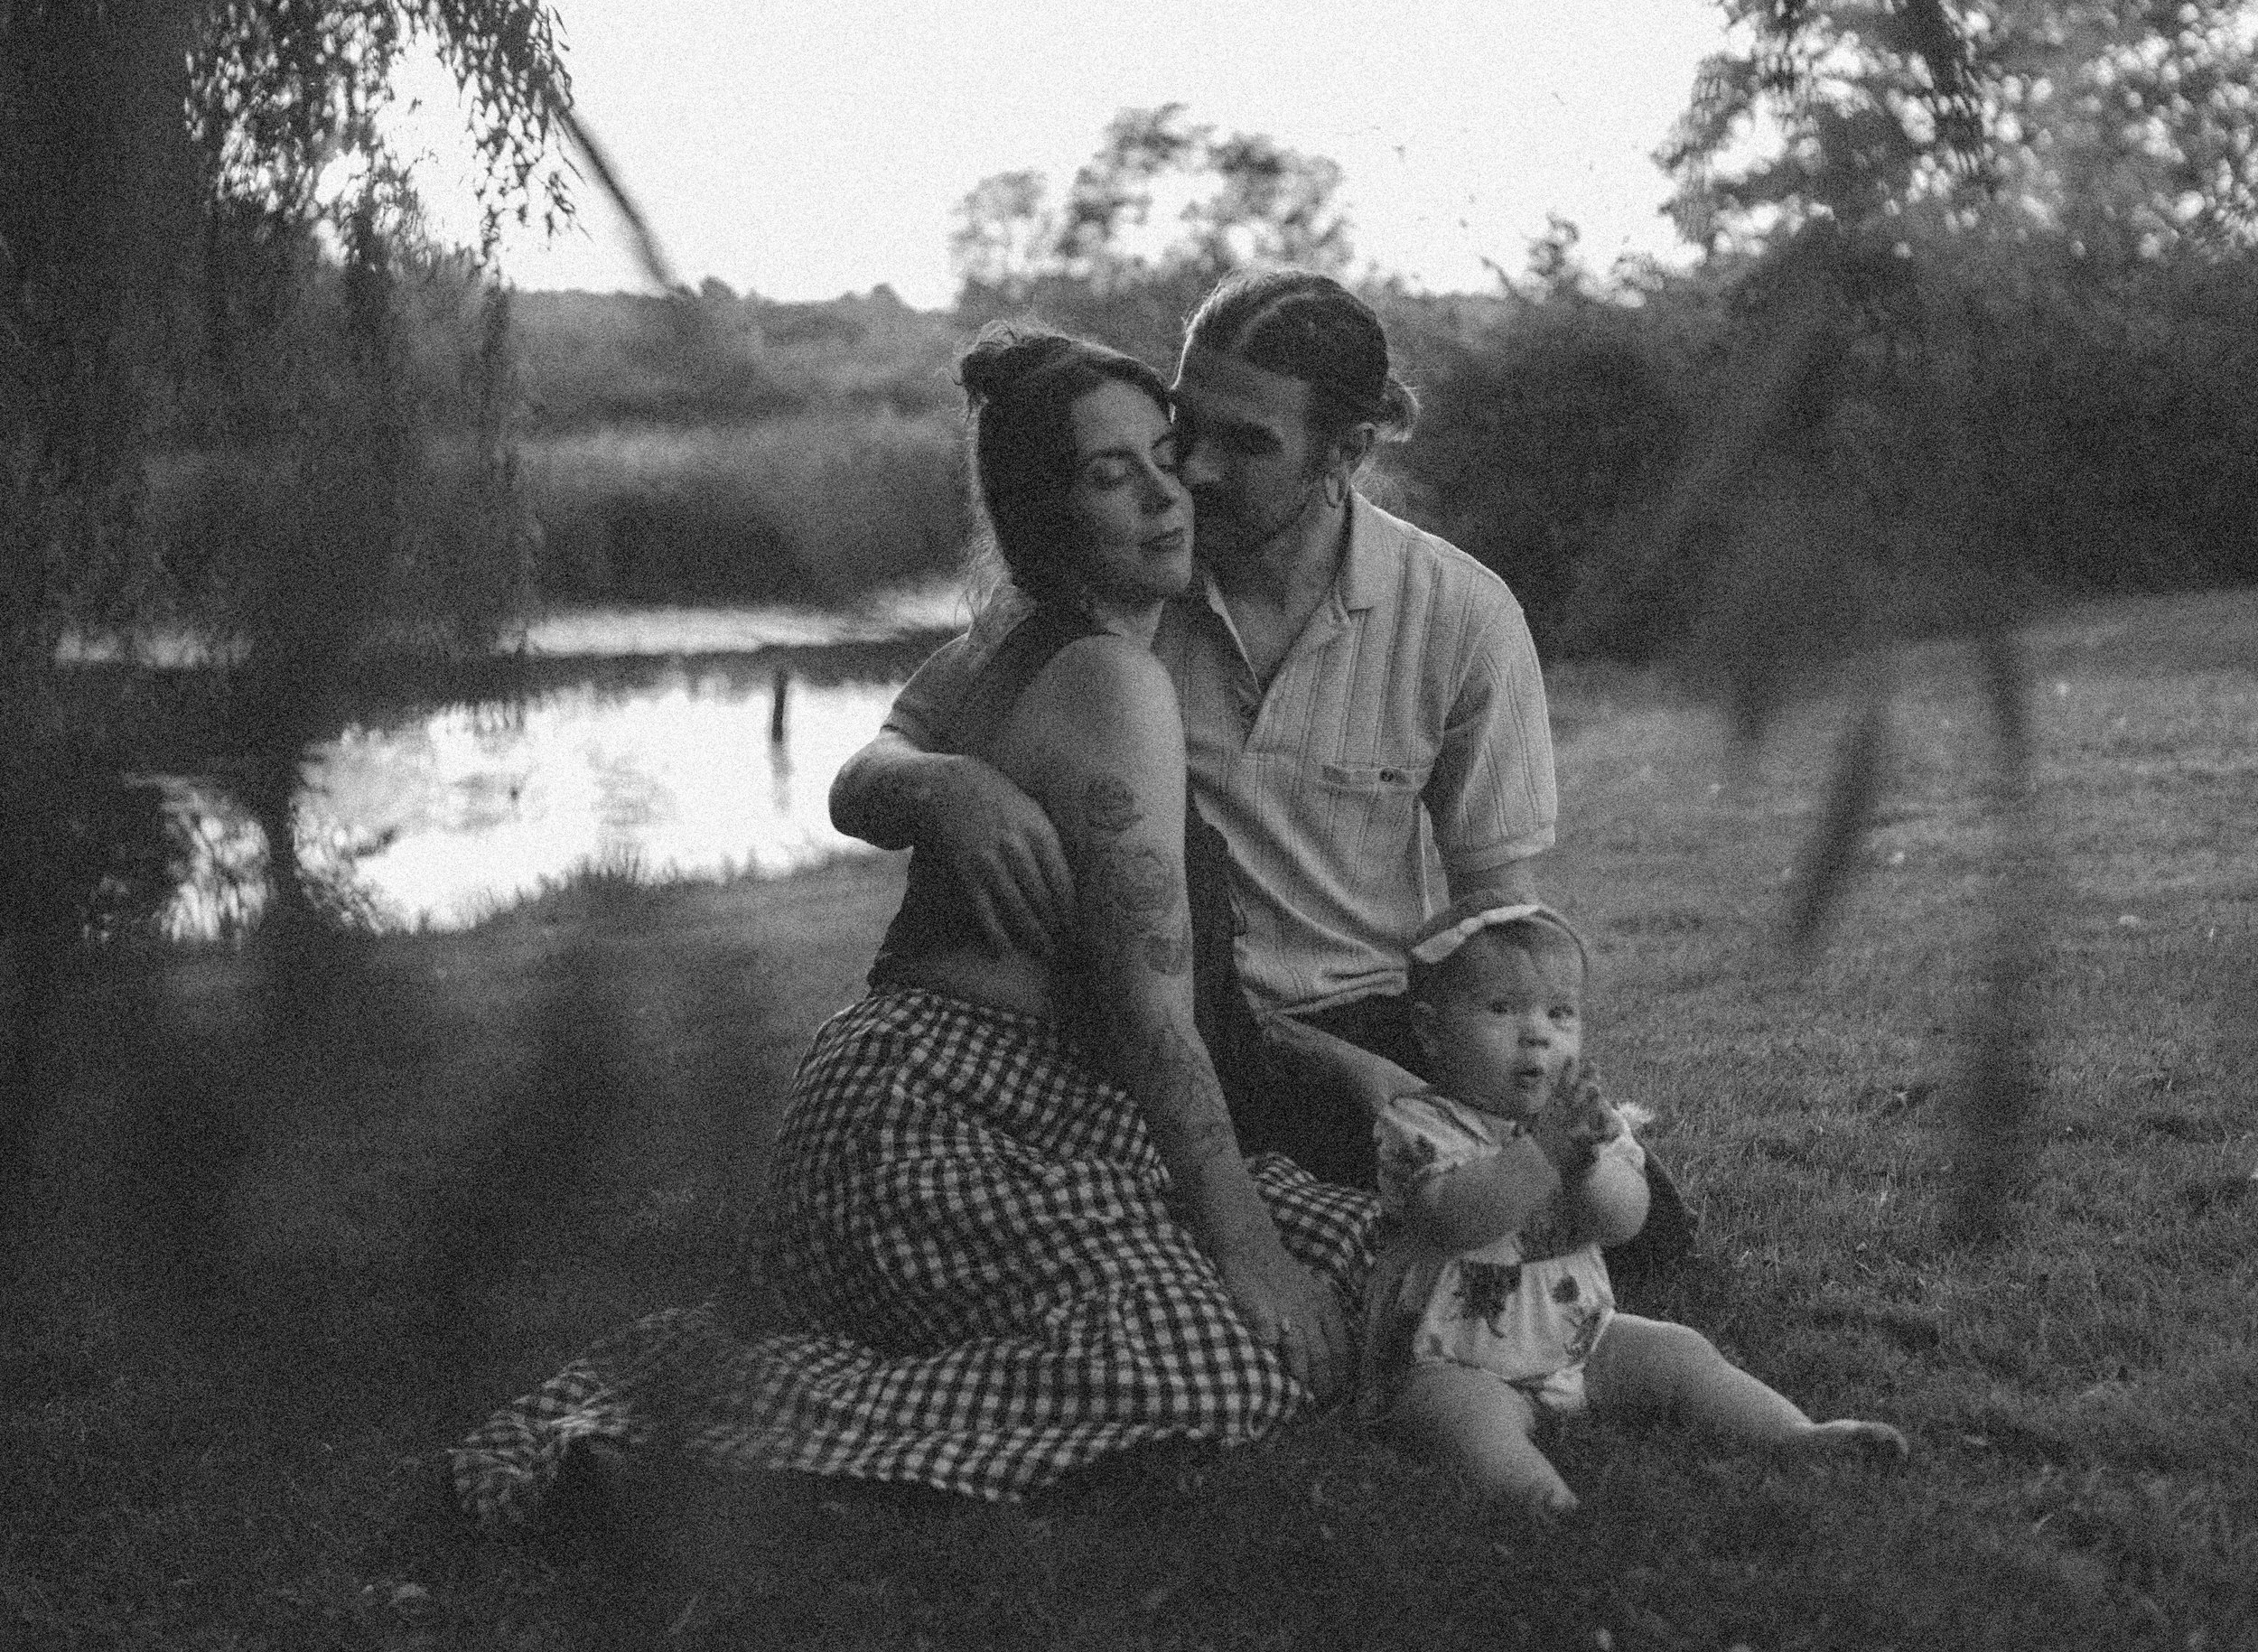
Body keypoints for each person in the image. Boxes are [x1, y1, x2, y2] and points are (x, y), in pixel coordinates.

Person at [448, 328, 1378, 1526]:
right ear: (1047, 513)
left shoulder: (1009, 632)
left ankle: (768, 1390)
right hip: (933, 1113)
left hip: (1022, 1113)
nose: (1163, 494)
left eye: (1164, 456)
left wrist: (938, 779)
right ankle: (679, 1449)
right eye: (1108, 475)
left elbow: (870, 756)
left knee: (1361, 1247)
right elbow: (1153, 1020)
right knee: (1223, 1359)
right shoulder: (1106, 676)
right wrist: (1249, 1260)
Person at [833, 269, 1694, 1268]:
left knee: (1636, 1225)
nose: (1191, 470)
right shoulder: (1125, 580)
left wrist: (1496, 1085)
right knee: (1401, 1247)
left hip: (1373, 1023)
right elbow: (872, 767)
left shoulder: (1461, 614)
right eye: (1184, 425)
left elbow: (1496, 916)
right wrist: (943, 786)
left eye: (1247, 443)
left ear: (1348, 454)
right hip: (1176, 1027)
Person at [1355, 894, 1907, 1517]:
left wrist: (1586, 1161)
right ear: (1431, 1031)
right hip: (1455, 1357)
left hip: (1580, 1338)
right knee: (1458, 1418)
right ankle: (1545, 1503)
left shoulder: (1582, 1123)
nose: (1536, 1032)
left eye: (1559, 1014)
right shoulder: (1420, 1124)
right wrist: (1546, 1152)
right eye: (1502, 1009)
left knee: (1680, 1351)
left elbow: (1623, 1221)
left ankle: (1797, 1436)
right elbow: (1457, 1219)